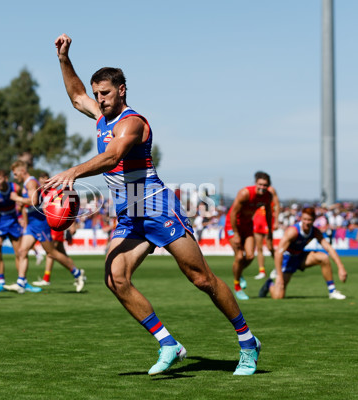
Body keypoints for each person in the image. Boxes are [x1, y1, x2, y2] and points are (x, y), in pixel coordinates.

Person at [46, 33, 261, 376]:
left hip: (155, 205)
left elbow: (113, 155)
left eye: (105, 93)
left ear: (122, 90)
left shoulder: (133, 122)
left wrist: (74, 171)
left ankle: (248, 342)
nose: (99, 100)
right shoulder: (100, 116)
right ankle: (168, 344)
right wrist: (63, 59)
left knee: (201, 278)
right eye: (97, 94)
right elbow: (75, 97)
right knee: (116, 278)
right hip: (129, 212)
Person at [4, 160, 86, 293]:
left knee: (52, 253)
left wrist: (17, 199)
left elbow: (34, 201)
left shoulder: (30, 182)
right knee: (22, 251)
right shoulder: (27, 183)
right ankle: (21, 282)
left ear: (22, 171)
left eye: (15, 173)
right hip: (32, 223)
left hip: (40, 223)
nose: (15, 176)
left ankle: (77, 273)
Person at [258, 207, 348, 300]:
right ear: (301, 219)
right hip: (287, 260)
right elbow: (278, 253)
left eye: (309, 220)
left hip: (300, 257)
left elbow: (329, 248)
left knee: (324, 258)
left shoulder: (314, 231)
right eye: (304, 219)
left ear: (313, 220)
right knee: (278, 296)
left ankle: (332, 291)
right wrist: (280, 276)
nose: (307, 222)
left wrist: (341, 267)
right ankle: (269, 284)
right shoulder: (292, 231)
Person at [225, 171, 274, 300]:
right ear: (256, 183)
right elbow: (233, 214)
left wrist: (269, 231)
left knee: (251, 255)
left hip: (247, 226)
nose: (262, 187)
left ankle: (239, 273)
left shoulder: (268, 196)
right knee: (240, 256)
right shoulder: (245, 193)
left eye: (265, 185)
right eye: (260, 184)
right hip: (232, 225)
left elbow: (268, 213)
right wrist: (235, 233)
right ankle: (237, 287)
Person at [32, 172, 78, 287]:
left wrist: (72, 225)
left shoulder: (56, 192)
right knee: (60, 254)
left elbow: (68, 210)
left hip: (56, 228)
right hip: (47, 226)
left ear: (49, 179)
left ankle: (46, 279)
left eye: (45, 178)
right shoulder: (41, 193)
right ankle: (78, 273)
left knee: (51, 253)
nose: (42, 181)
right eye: (41, 179)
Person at [0, 170, 23, 293]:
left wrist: (22, 217)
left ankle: (22, 282)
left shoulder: (16, 188)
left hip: (13, 222)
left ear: (6, 178)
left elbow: (22, 202)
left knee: (19, 253)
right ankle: (1, 283)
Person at [252, 185, 279, 280]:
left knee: (270, 247)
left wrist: (276, 221)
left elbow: (277, 205)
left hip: (267, 220)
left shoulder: (271, 190)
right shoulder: (255, 190)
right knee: (259, 248)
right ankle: (262, 271)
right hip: (257, 220)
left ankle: (278, 268)